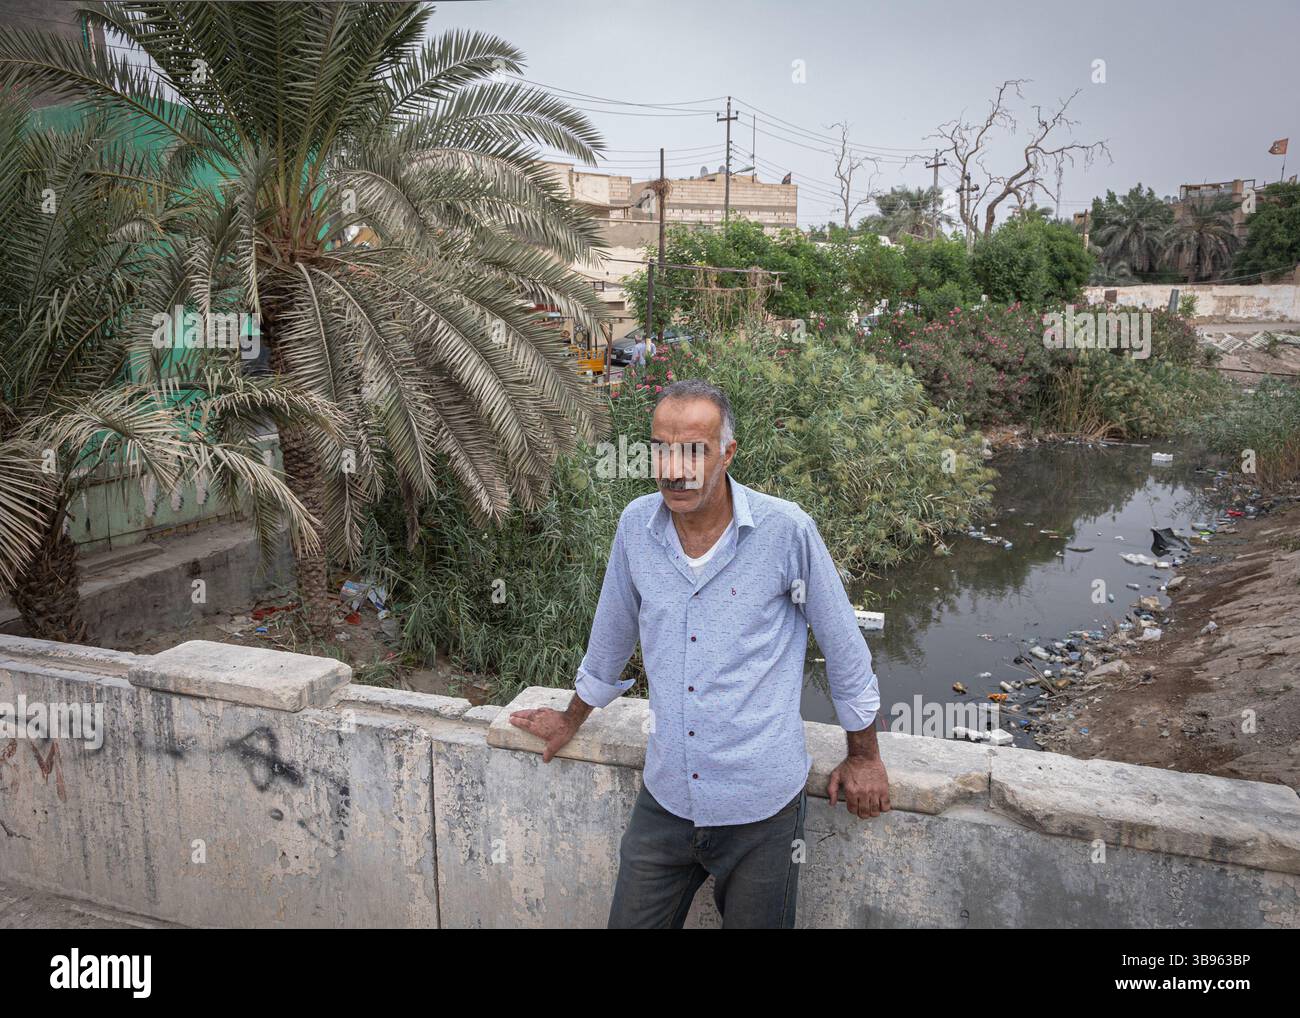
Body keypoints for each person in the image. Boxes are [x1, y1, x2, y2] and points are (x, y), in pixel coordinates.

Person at [509, 378, 890, 929]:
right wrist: (572, 718)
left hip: (762, 809)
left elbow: (844, 649)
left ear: (727, 453)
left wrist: (863, 755)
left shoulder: (786, 532)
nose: (674, 468)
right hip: (666, 800)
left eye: (692, 450)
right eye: (661, 449)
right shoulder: (636, 527)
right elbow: (611, 636)